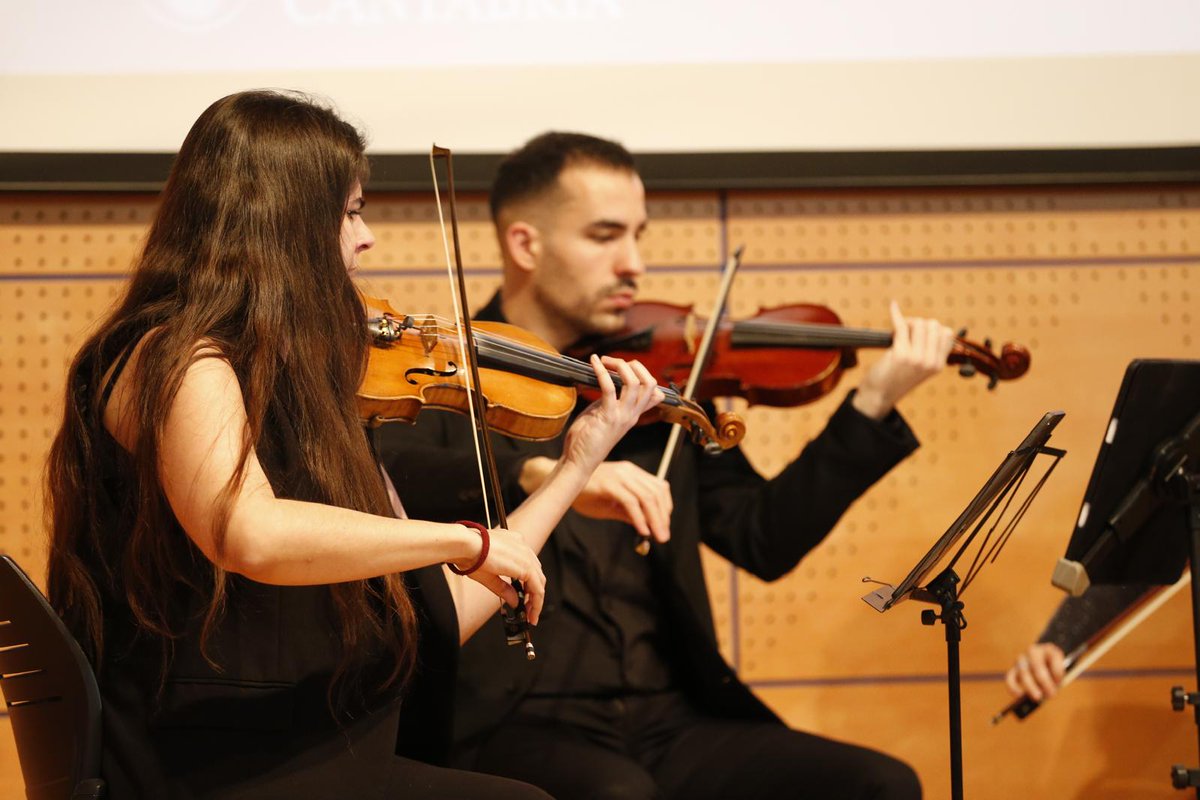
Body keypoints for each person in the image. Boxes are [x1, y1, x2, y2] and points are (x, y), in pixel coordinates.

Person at [44, 93, 664, 799]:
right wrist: (460, 540)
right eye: (352, 211)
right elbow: (246, 532)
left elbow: (447, 614)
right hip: (211, 769)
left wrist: (577, 464)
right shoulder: (181, 358)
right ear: (287, 220)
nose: (367, 239)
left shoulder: (308, 394)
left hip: (316, 754)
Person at [379, 132, 957, 800]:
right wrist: (544, 474)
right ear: (525, 245)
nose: (634, 265)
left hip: (666, 716)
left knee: (879, 784)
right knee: (618, 794)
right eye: (605, 235)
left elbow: (763, 537)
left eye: (639, 236)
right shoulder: (449, 375)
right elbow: (396, 467)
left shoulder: (654, 392)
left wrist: (871, 405)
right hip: (512, 721)